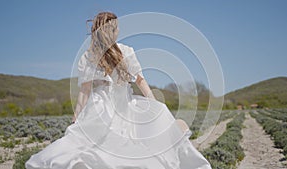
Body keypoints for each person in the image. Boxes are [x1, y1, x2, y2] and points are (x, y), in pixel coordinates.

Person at [25, 11, 212, 169]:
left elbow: (87, 91)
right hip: (104, 107)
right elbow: (138, 82)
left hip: (112, 105)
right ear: (111, 30)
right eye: (117, 27)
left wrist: (156, 105)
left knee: (99, 146)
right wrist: (76, 117)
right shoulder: (92, 56)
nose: (119, 30)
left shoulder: (120, 52)